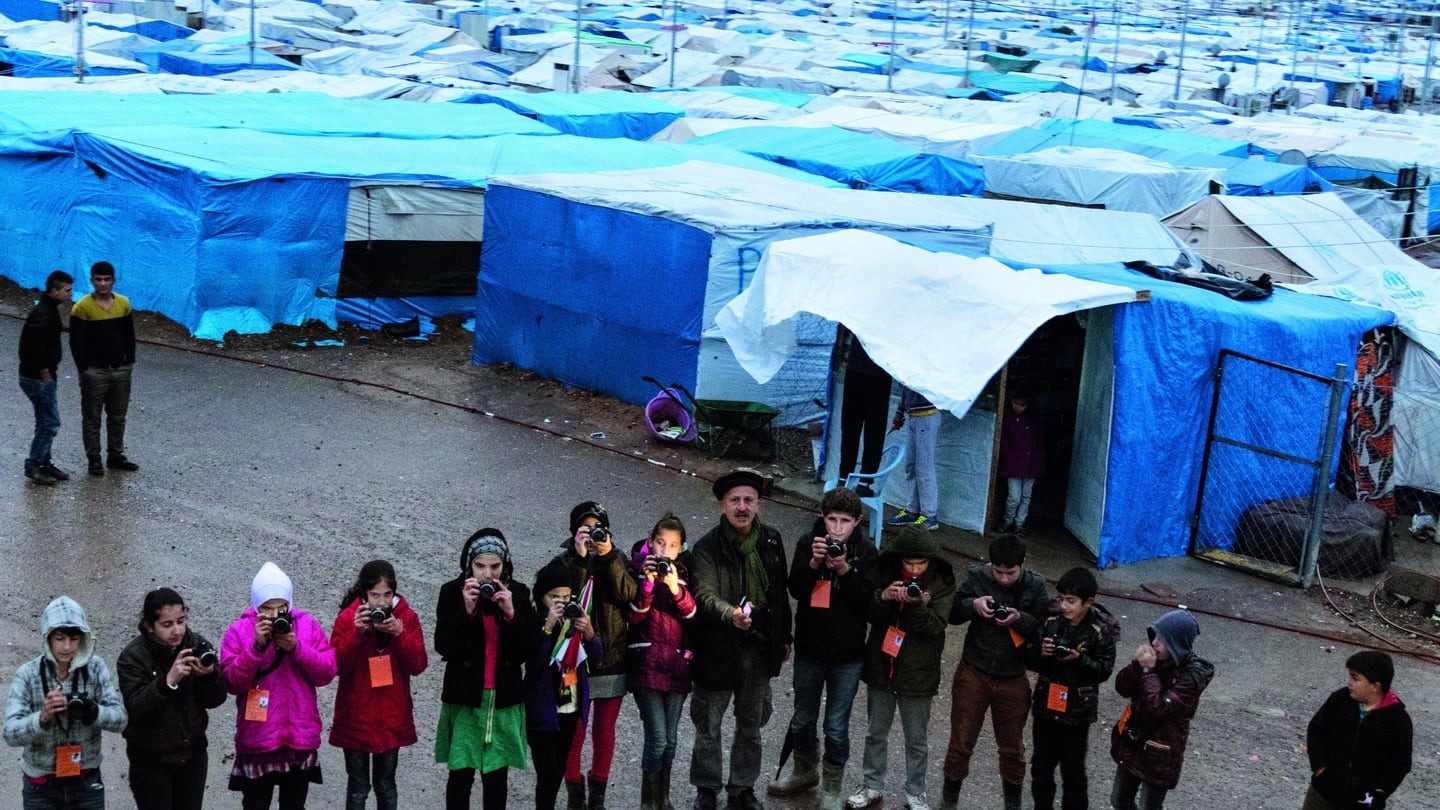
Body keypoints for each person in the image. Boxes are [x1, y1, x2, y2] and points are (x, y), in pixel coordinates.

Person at [688, 469, 793, 810]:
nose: (742, 507)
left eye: (749, 500)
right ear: (722, 505)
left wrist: (784, 636)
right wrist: (730, 613)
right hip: (718, 647)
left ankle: (742, 789)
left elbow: (779, 593)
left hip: (758, 648)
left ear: (759, 504)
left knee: (751, 724)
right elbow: (704, 594)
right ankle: (707, 788)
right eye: (735, 500)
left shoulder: (772, 540)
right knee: (709, 723)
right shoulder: (706, 547)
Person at [771, 487, 879, 808]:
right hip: (809, 649)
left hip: (847, 656)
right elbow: (795, 588)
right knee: (802, 719)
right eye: (832, 519)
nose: (837, 528)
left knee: (835, 725)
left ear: (857, 521)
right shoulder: (809, 542)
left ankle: (832, 787)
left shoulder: (866, 552)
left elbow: (868, 606)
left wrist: (845, 569)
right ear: (823, 517)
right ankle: (805, 771)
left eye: (845, 521)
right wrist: (814, 563)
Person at [845, 526, 956, 810]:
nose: (914, 569)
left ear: (931, 560)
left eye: (921, 563)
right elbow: (868, 614)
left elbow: (935, 626)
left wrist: (917, 605)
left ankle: (916, 792)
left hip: (919, 671)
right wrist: (883, 597)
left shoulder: (941, 583)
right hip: (882, 666)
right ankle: (872, 785)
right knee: (875, 733)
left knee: (916, 739)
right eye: (908, 562)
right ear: (899, 560)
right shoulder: (885, 574)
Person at [940, 533, 1049, 810]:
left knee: (1012, 749)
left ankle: (1013, 803)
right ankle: (949, 801)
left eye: (1010, 573)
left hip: (1013, 677)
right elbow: (951, 613)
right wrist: (973, 605)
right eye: (998, 571)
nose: (1003, 579)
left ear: (1022, 564)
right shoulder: (977, 576)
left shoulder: (1036, 585)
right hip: (974, 671)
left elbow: (1044, 628)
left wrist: (1019, 618)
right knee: (961, 743)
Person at [221, 562, 338, 810]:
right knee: (255, 805)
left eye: (281, 607)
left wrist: (297, 649)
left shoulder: (306, 626)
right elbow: (231, 682)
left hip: (298, 737)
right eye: (267, 608)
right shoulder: (240, 631)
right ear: (256, 606)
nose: (275, 615)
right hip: (258, 737)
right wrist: (256, 648)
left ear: (289, 603)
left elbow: (327, 672)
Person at [435, 528, 537, 810]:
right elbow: (444, 646)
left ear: (505, 564)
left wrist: (511, 614)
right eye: (480, 566)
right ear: (469, 565)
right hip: (466, 700)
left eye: (495, 566)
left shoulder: (518, 593)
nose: (488, 574)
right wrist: (466, 611)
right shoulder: (452, 592)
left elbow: (529, 650)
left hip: (502, 701)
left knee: (496, 778)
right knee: (460, 775)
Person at [3, 595, 127, 809]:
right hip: (41, 787)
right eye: (59, 638)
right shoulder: (28, 674)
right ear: (48, 637)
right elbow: (10, 734)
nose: (67, 647)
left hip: (86, 781)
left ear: (83, 638)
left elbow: (120, 720)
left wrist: (92, 711)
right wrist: (42, 718)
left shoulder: (95, 668)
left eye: (74, 639)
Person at [553, 502, 637, 810]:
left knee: (605, 732)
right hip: (573, 660)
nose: (592, 535)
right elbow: (564, 597)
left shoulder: (618, 558)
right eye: (585, 529)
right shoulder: (564, 561)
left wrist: (608, 556)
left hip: (611, 657)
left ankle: (597, 798)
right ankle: (575, 797)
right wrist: (580, 560)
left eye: (597, 528)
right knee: (573, 731)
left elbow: (628, 595)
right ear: (573, 532)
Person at [117, 588, 228, 810]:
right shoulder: (132, 657)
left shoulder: (196, 644)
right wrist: (167, 682)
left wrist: (209, 676)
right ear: (150, 626)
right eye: (167, 625)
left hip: (193, 756)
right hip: (151, 762)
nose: (177, 631)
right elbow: (137, 709)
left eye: (181, 621)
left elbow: (216, 700)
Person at [330, 560, 428, 810]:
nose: (381, 602)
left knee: (385, 784)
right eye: (375, 595)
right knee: (358, 787)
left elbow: (418, 665)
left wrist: (400, 634)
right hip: (356, 716)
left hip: (391, 717)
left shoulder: (406, 618)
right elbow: (337, 666)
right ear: (364, 594)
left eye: (387, 595)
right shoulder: (348, 618)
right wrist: (357, 634)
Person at [1026, 568, 1119, 810]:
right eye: (1061, 599)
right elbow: (1029, 657)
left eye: (1071, 601)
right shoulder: (1050, 622)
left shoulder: (1100, 631)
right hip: (1046, 707)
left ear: (1088, 602)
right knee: (1041, 767)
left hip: (1077, 714)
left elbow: (1104, 670)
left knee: (1073, 772)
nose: (1064, 606)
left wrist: (1079, 659)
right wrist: (1041, 653)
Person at [1108, 609, 1215, 810]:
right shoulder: (1153, 659)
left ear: (1176, 644)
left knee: (1149, 806)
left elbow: (1158, 708)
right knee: (1119, 800)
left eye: (1162, 639)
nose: (1154, 643)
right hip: (1134, 742)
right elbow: (1122, 688)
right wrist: (1137, 667)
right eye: (1155, 635)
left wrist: (1148, 671)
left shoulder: (1192, 676)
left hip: (1161, 752)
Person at [626, 513, 696, 810]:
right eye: (660, 543)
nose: (665, 550)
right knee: (657, 737)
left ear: (680, 549)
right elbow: (634, 616)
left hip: (677, 666)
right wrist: (648, 584)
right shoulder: (638, 570)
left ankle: (662, 798)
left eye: (672, 545)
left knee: (671, 740)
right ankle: (648, 802)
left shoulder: (684, 574)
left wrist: (676, 588)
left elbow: (692, 615)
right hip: (646, 663)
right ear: (651, 542)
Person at [527, 558, 601, 810]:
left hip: (569, 709)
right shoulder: (535, 621)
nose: (560, 602)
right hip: (542, 713)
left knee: (557, 773)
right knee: (546, 775)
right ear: (542, 597)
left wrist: (590, 634)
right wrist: (547, 628)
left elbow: (596, 660)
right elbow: (534, 663)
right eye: (554, 597)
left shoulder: (575, 621)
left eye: (566, 596)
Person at [1303, 651, 1412, 810]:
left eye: (1355, 678)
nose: (1349, 683)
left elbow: (1401, 762)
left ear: (1375, 686)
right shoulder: (1340, 699)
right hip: (1323, 792)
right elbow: (1316, 729)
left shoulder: (1397, 719)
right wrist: (1319, 767)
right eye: (1350, 677)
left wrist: (1379, 792)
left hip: (1362, 802)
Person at [69, 260, 139, 476]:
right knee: (92, 417)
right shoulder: (82, 307)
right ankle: (94, 459)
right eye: (98, 279)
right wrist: (84, 369)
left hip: (120, 370)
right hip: (95, 371)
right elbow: (75, 342)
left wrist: (129, 361)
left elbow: (129, 335)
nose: (102, 284)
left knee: (118, 416)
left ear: (113, 281)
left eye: (106, 279)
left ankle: (115, 455)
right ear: (91, 280)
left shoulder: (123, 304)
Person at [17, 270, 73, 485]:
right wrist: (45, 374)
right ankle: (33, 465)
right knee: (50, 423)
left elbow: (50, 331)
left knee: (44, 421)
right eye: (66, 290)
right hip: (37, 378)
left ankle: (44, 462)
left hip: (37, 376)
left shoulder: (48, 309)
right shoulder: (43, 313)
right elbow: (35, 346)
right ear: (54, 291)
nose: (69, 294)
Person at [834, 328, 893, 489]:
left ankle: (862, 481)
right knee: (853, 430)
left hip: (878, 373)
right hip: (860, 371)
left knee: (871, 432)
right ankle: (846, 477)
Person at [885, 385, 941, 531]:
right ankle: (912, 511)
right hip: (913, 415)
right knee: (910, 465)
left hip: (927, 414)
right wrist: (899, 411)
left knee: (924, 467)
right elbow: (907, 384)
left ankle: (929, 516)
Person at [998, 393, 1044, 534]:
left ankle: (1019, 523)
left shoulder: (1034, 421)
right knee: (1014, 497)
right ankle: (1008, 520)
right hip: (1013, 463)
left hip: (1031, 463)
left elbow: (1039, 444)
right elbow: (1004, 441)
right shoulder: (1007, 418)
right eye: (1015, 403)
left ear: (1028, 405)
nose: (1018, 407)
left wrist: (1038, 461)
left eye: (1022, 405)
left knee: (1025, 496)